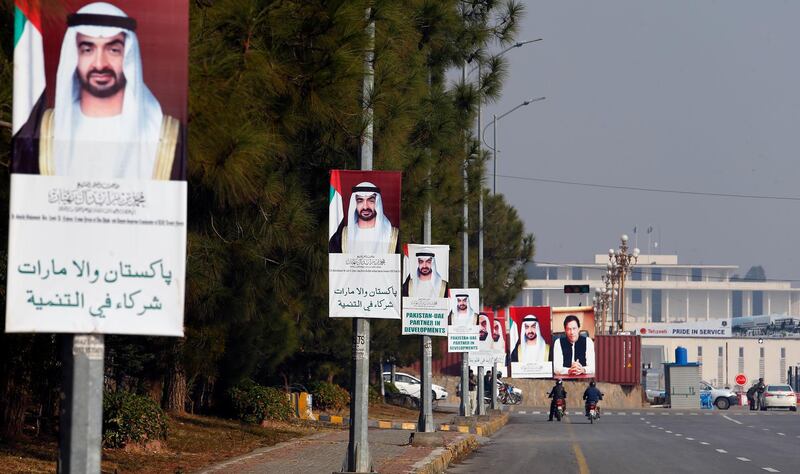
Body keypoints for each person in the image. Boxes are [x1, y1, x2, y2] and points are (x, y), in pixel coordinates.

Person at [13, 2, 185, 180]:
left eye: (113, 50)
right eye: (87, 50)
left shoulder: (167, 137)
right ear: (74, 56)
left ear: (128, 57)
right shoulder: (39, 136)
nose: (100, 64)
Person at [329, 182, 400, 254]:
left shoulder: (393, 237)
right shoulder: (340, 237)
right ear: (355, 204)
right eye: (360, 201)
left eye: (371, 200)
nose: (365, 207)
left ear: (377, 203)